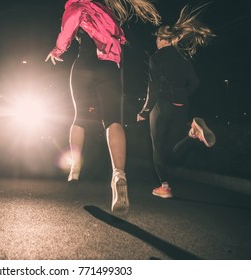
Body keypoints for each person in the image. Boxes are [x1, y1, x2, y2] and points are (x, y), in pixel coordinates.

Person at [46, 0, 161, 213]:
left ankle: (75, 166)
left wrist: (57, 50)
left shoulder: (77, 6)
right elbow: (120, 39)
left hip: (85, 65)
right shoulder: (108, 13)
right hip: (110, 69)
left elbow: (69, 27)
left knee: (79, 116)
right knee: (113, 120)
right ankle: (119, 174)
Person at [137, 4, 216, 199]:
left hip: (162, 106)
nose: (156, 41)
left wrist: (144, 111)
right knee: (173, 151)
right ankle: (192, 134)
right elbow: (196, 82)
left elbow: (152, 88)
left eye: (157, 38)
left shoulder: (156, 58)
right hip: (181, 106)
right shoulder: (182, 58)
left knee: (158, 149)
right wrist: (181, 94)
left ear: (162, 40)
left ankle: (165, 187)